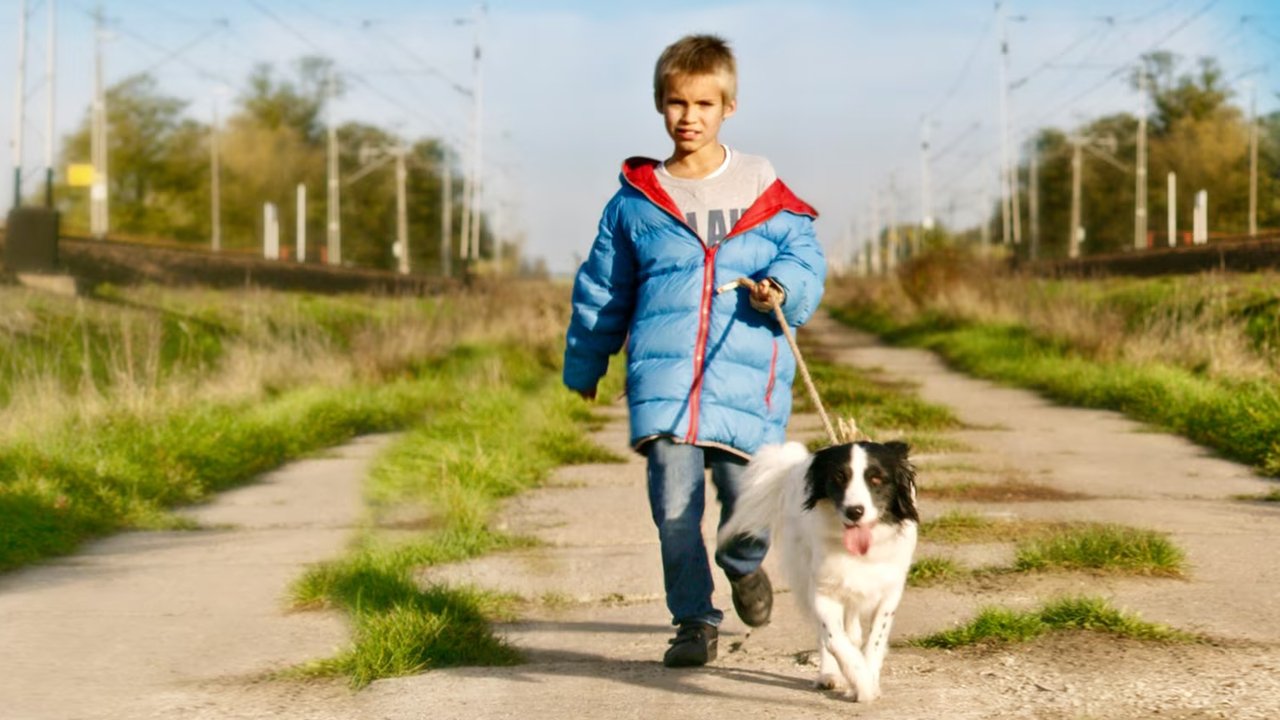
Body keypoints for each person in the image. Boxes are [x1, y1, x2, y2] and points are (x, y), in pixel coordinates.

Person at [562, 33, 826, 668]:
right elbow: (603, 288)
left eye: (704, 104)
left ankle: (744, 564)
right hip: (665, 384)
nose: (689, 117)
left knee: (747, 504)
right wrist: (587, 360)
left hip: (746, 380)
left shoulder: (763, 189)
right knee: (675, 513)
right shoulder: (635, 201)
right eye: (678, 102)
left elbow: (805, 257)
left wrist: (782, 288)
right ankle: (693, 621)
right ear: (660, 103)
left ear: (728, 107)